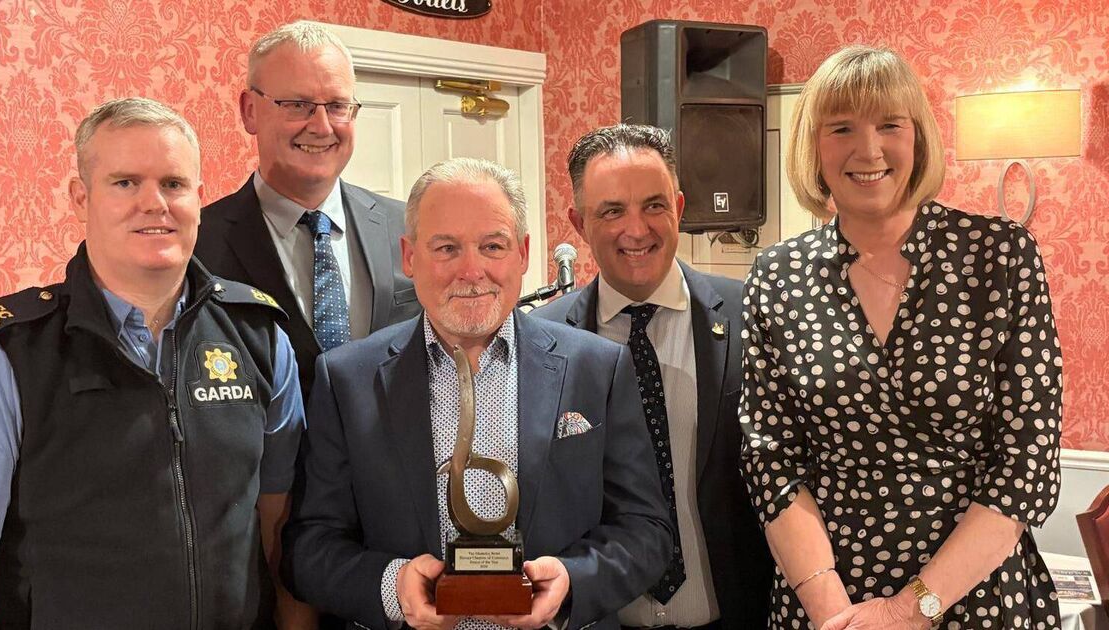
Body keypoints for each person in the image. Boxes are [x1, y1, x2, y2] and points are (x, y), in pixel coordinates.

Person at [0, 97, 305, 629]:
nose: (154, 203)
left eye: (173, 184)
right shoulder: (7, 352)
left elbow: (279, 526)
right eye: (125, 183)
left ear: (198, 197)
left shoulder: (260, 336)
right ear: (81, 197)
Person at [741, 45, 1063, 629]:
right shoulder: (776, 275)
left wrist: (907, 611)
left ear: (918, 138)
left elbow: (1026, 465)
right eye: (842, 128)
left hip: (974, 599)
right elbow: (772, 461)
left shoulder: (999, 256)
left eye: (889, 124)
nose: (868, 150)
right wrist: (835, 615)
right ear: (813, 146)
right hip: (825, 603)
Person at [281, 157, 673, 630]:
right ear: (409, 256)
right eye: (446, 248)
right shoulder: (347, 379)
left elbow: (648, 532)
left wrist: (571, 581)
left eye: (493, 246)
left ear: (523, 253)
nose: (472, 270)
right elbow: (308, 548)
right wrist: (392, 586)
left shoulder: (599, 368)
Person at [532, 123, 772, 630]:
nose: (637, 229)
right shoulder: (541, 342)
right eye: (612, 211)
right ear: (579, 222)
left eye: (654, 205)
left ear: (679, 208)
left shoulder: (752, 314)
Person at [196, 20, 420, 398]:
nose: (321, 126)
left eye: (337, 106)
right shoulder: (197, 244)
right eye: (297, 105)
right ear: (250, 111)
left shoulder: (407, 226)